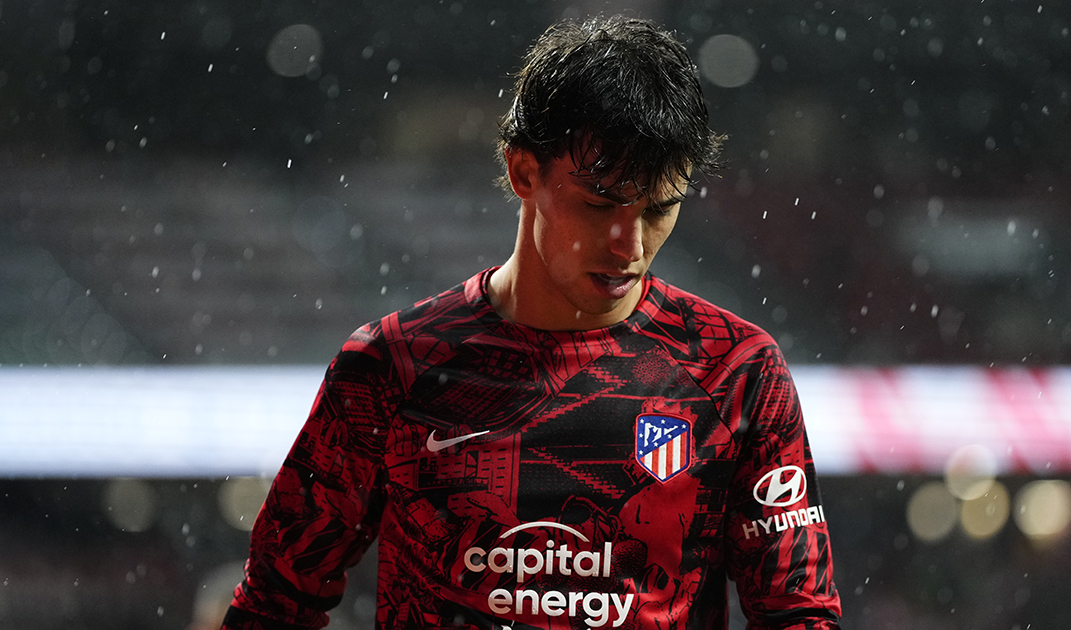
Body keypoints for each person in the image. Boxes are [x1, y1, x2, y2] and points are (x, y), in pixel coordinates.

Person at [221, 15, 841, 630]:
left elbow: (799, 615)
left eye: (660, 209)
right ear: (524, 171)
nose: (630, 243)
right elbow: (275, 602)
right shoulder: (390, 368)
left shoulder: (734, 369)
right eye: (600, 204)